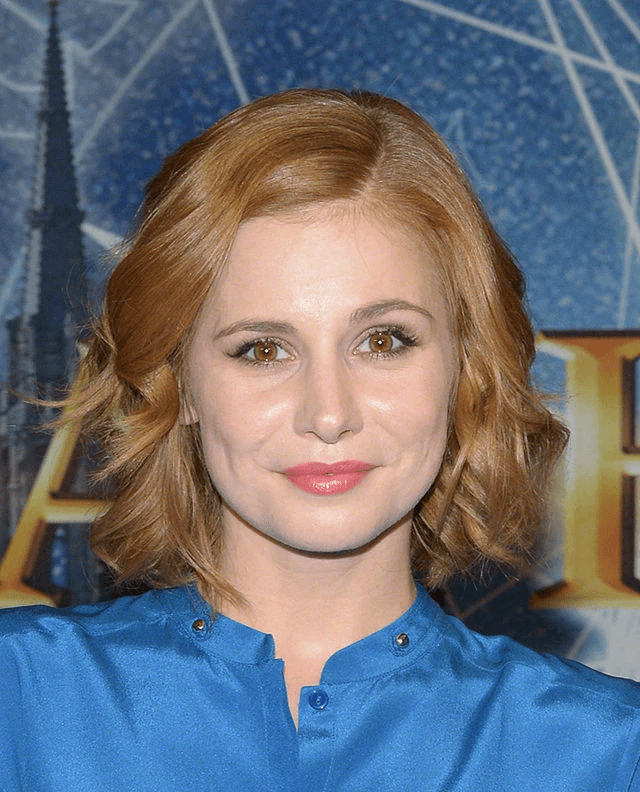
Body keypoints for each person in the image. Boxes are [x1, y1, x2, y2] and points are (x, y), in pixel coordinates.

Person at [0, 88, 638, 791]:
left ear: (466, 368)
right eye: (262, 350)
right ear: (176, 385)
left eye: (383, 341)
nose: (328, 414)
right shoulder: (21, 701)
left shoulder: (607, 752)